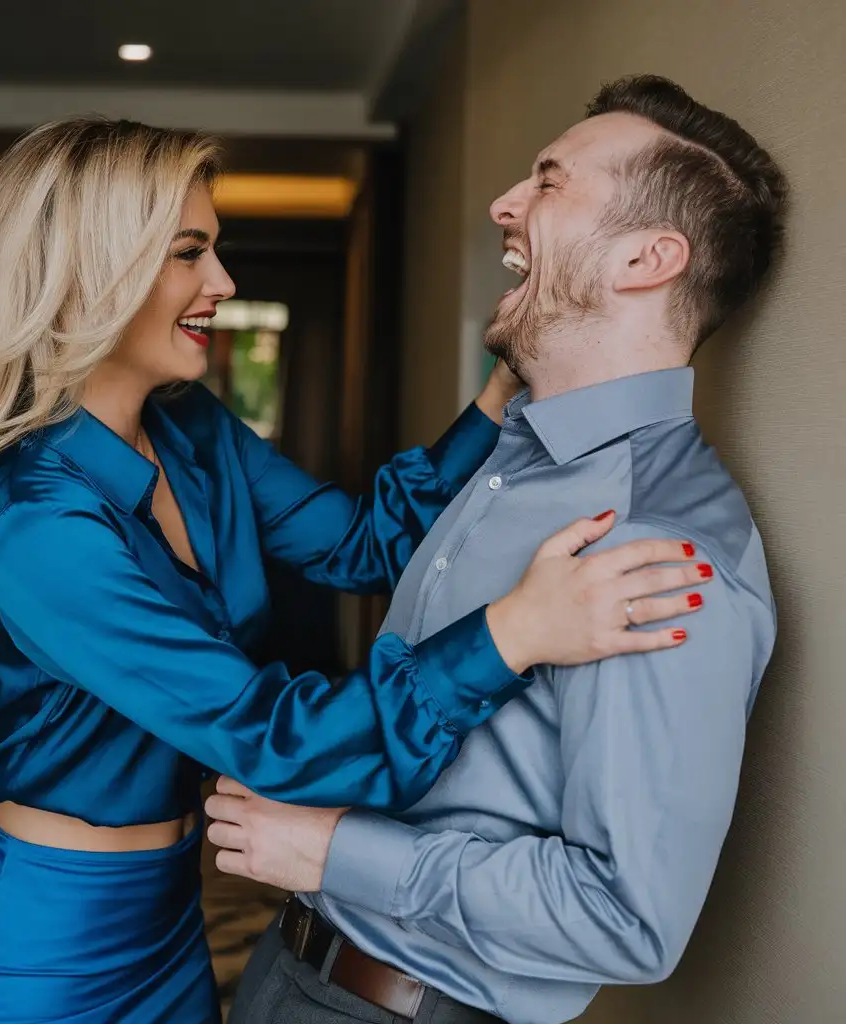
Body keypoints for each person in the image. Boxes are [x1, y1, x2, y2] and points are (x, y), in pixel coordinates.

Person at [0, 118, 706, 1024]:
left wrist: (500, 393)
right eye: (190, 252)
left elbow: (363, 545)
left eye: (216, 249)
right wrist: (512, 633)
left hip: (167, 919)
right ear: (89, 273)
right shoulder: (32, 515)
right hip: (41, 948)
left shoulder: (192, 430)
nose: (223, 284)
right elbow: (268, 734)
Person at [209, 75, 787, 1024]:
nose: (503, 205)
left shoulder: (653, 547)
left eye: (549, 183)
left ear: (648, 257)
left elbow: (626, 917)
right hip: (293, 967)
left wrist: (334, 852)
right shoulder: (517, 459)